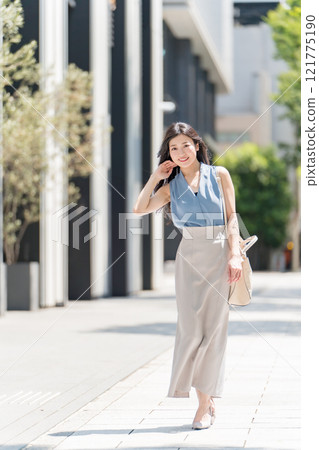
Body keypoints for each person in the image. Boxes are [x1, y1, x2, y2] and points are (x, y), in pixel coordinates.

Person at [133, 122, 242, 430]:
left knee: (213, 331)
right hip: (189, 258)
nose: (180, 152)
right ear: (168, 154)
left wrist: (234, 254)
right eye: (173, 148)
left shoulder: (219, 175)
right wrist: (156, 177)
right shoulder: (170, 186)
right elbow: (140, 208)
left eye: (185, 145)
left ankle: (205, 405)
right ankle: (201, 400)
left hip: (220, 253)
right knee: (191, 331)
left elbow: (232, 217)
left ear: (197, 146)